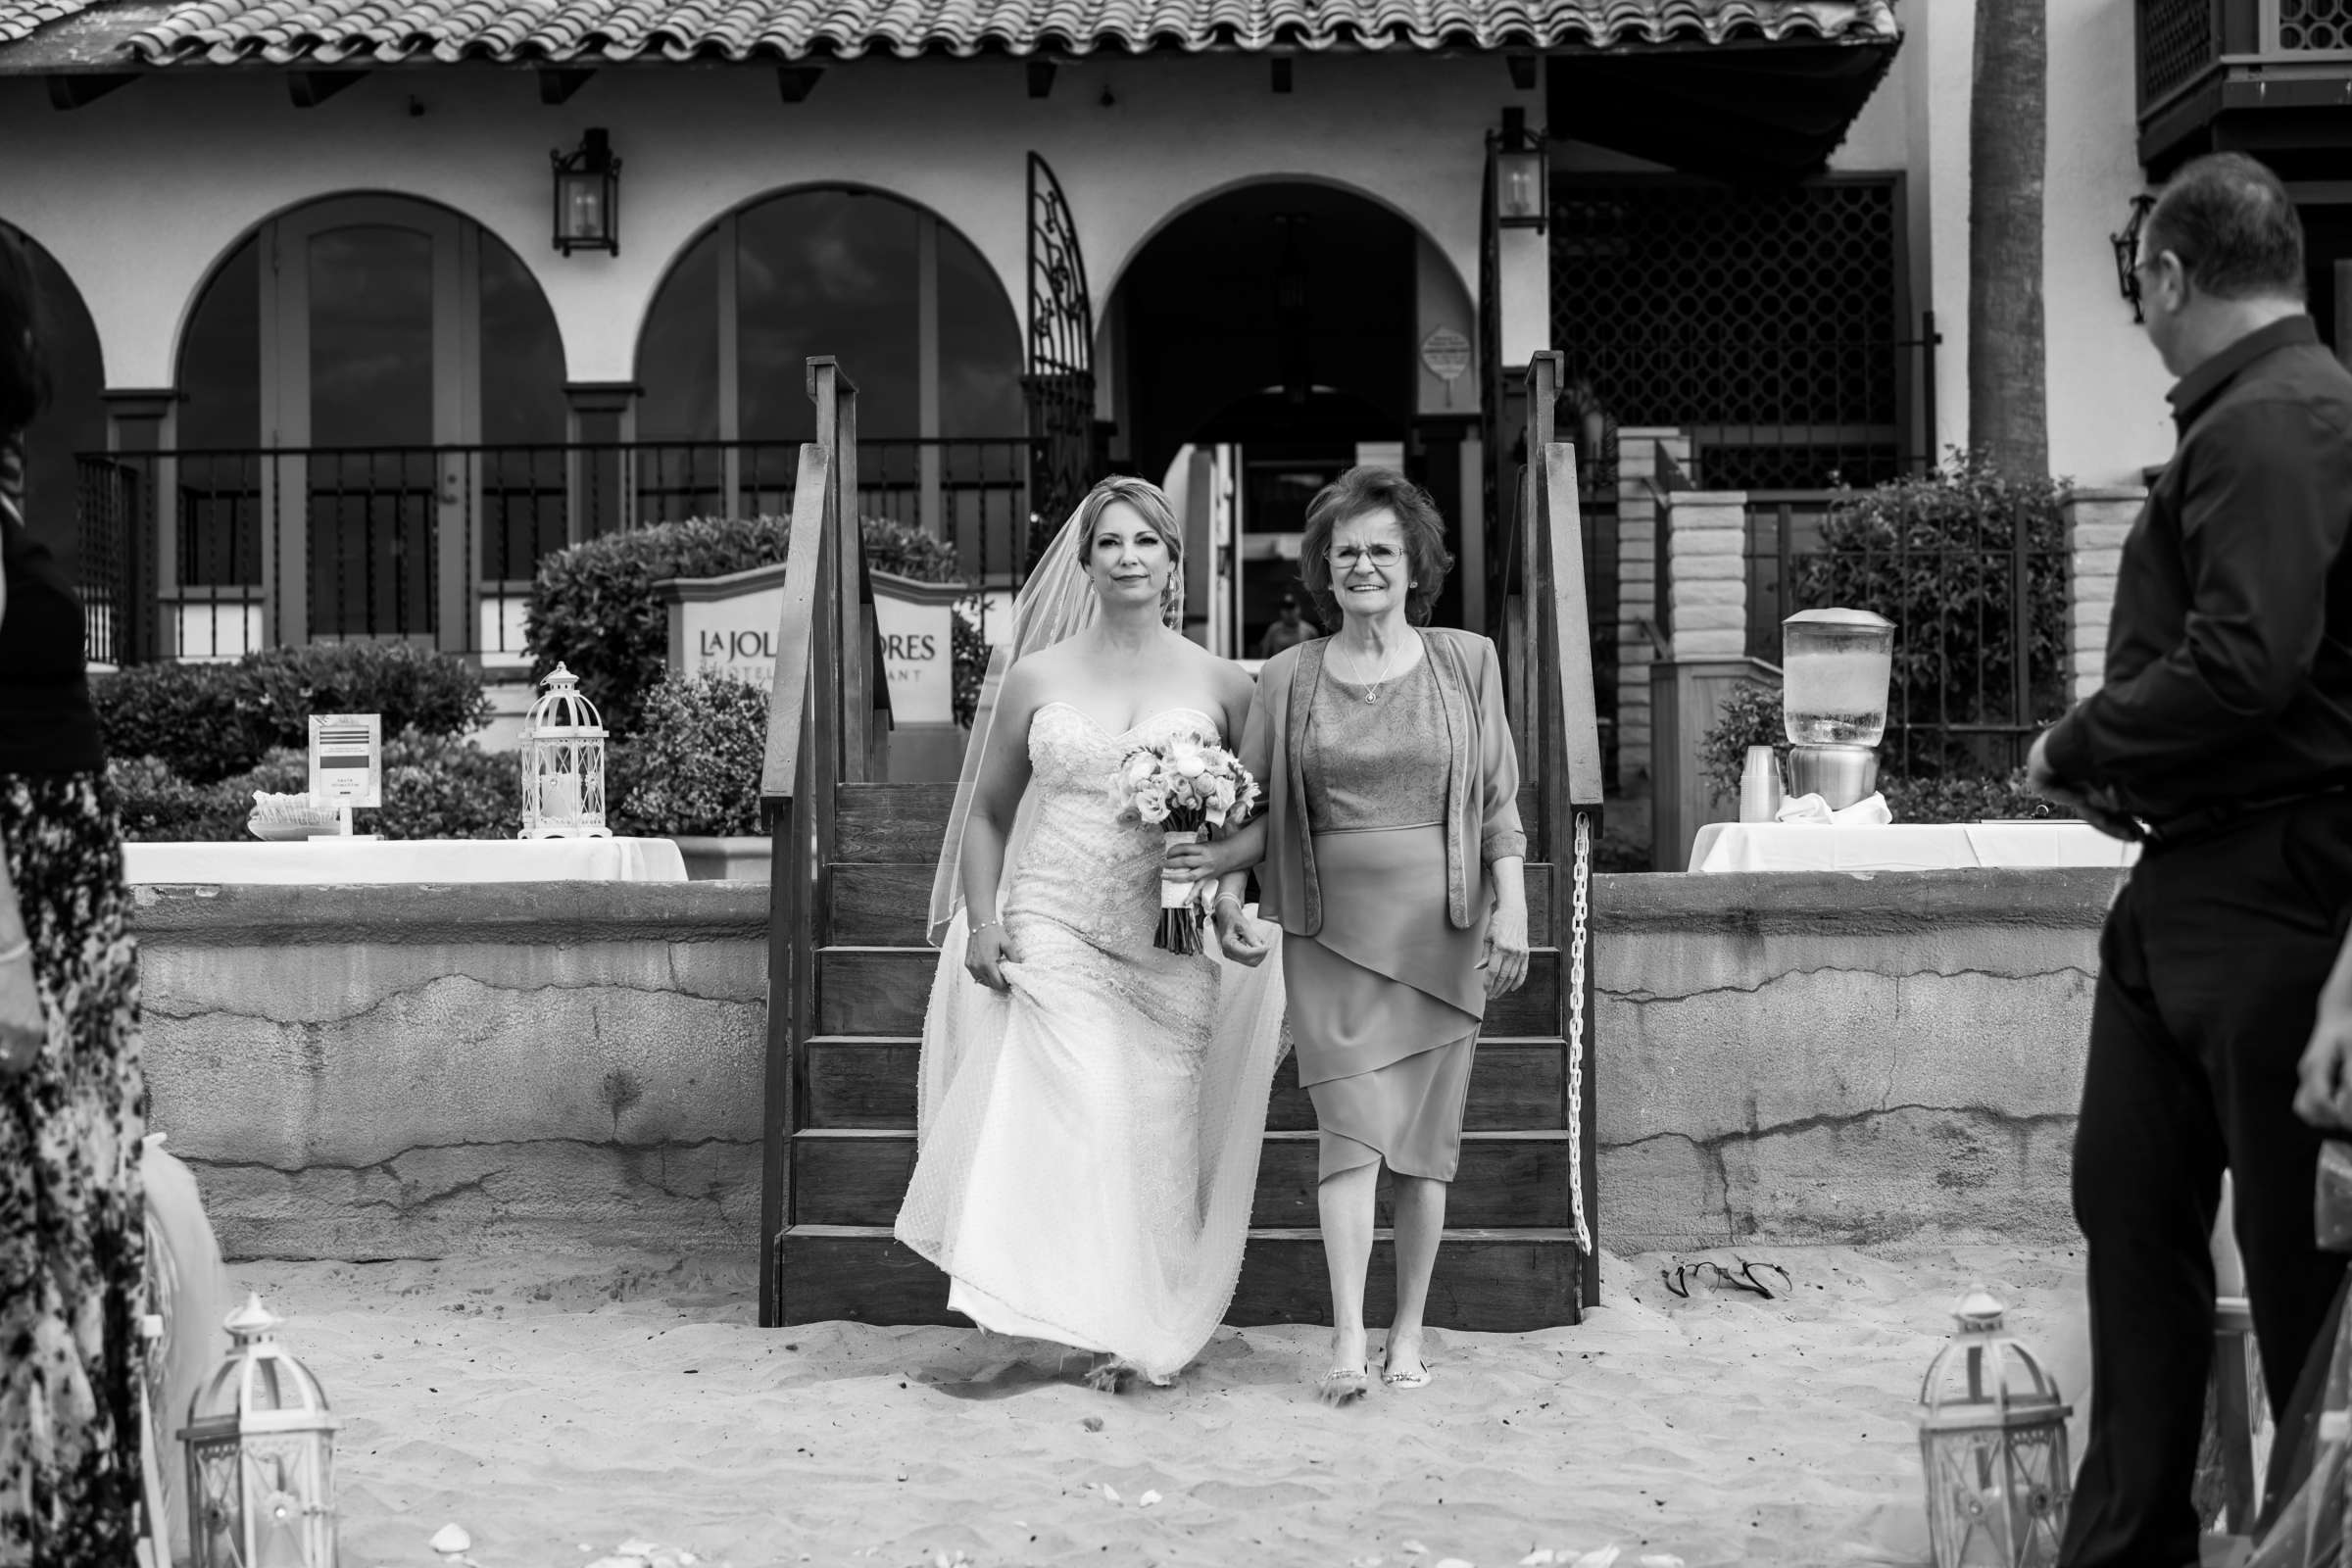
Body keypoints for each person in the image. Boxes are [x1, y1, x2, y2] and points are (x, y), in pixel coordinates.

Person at [2026, 151, 2352, 1566]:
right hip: (2186, 887)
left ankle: (2304, 1540)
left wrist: (2079, 744)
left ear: (2166, 275)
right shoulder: (2256, 413)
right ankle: (2128, 1538)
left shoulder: (2280, 419)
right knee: (2130, 1207)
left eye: (2137, 279)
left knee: (2297, 1277)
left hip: (2283, 891)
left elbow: (2247, 664)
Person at [894, 475, 1290, 1390]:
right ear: (1085, 562)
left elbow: (1266, 821)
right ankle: (1034, 1314)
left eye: (1147, 542)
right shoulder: (1039, 677)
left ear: (1173, 562)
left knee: (1151, 1127)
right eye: (1111, 543)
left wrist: (1224, 879)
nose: (1128, 558)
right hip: (1053, 919)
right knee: (1079, 1102)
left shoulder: (1225, 684)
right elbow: (989, 814)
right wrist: (985, 924)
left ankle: (1129, 1328)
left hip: (1168, 940)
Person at [1172, 466, 1529, 1403]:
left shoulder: (1469, 661)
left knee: (1422, 1146)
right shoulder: (1285, 676)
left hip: (1443, 929)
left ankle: (1407, 1332)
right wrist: (1221, 887)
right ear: (1323, 573)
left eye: (1382, 549)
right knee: (1347, 1137)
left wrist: (1515, 906)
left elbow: (1497, 800)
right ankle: (1345, 1338)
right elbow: (1248, 808)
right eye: (1346, 553)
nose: (1363, 565)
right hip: (1328, 933)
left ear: (1416, 565)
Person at [0, 226, 151, 1562]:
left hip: (57, 909)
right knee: (50, 1227)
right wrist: (6, 964)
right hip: (33, 922)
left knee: (74, 1229)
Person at [1256, 592, 1312, 659]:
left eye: (1292, 607)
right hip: (1278, 667)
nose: (1289, 612)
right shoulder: (1273, 630)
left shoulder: (1310, 632)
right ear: (1281, 611)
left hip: (1299, 667)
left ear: (1299, 608)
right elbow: (1264, 656)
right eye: (1286, 608)